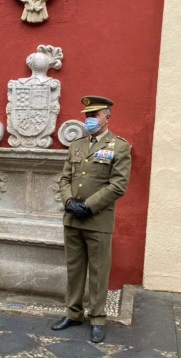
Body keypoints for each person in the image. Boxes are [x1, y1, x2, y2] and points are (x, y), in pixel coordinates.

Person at [51, 96, 132, 343]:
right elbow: (64, 179)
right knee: (74, 270)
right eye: (87, 116)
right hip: (73, 218)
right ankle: (73, 313)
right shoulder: (76, 146)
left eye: (94, 116)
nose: (89, 120)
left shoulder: (118, 147)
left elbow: (119, 185)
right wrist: (68, 202)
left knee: (98, 272)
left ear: (107, 116)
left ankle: (97, 318)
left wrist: (89, 206)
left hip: (97, 220)